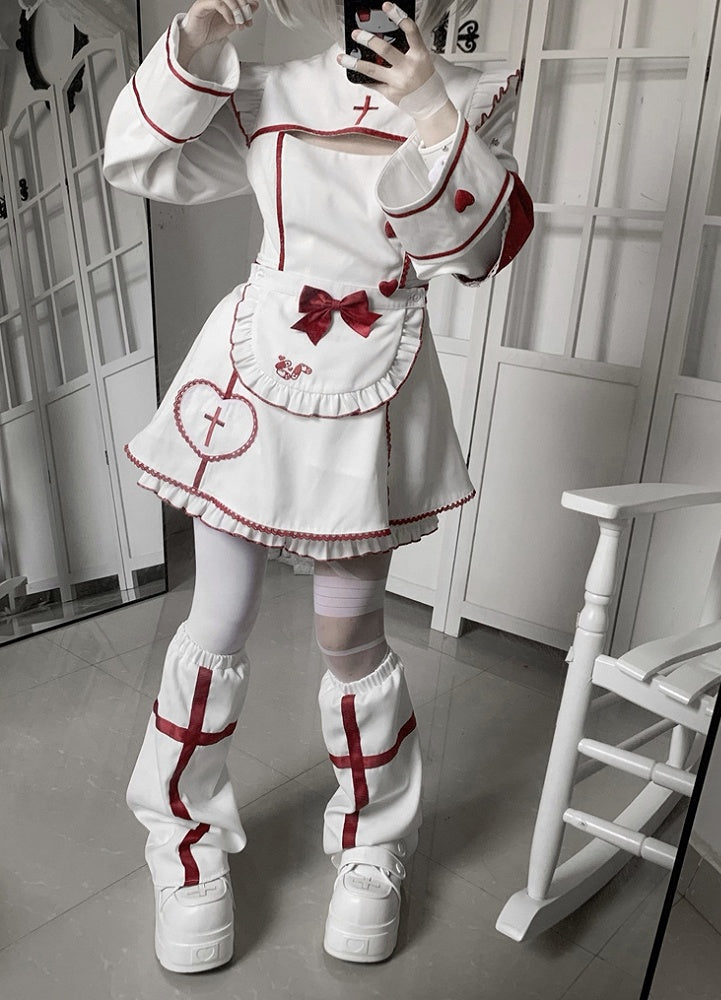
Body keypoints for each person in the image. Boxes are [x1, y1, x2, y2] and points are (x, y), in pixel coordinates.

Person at [102, 0, 533, 974]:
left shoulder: (473, 95)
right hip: (252, 374)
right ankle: (182, 840)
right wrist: (196, 42)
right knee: (218, 616)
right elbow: (141, 159)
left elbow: (474, 252)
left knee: (349, 637)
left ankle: (375, 841)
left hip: (373, 382)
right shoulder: (273, 90)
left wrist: (429, 105)